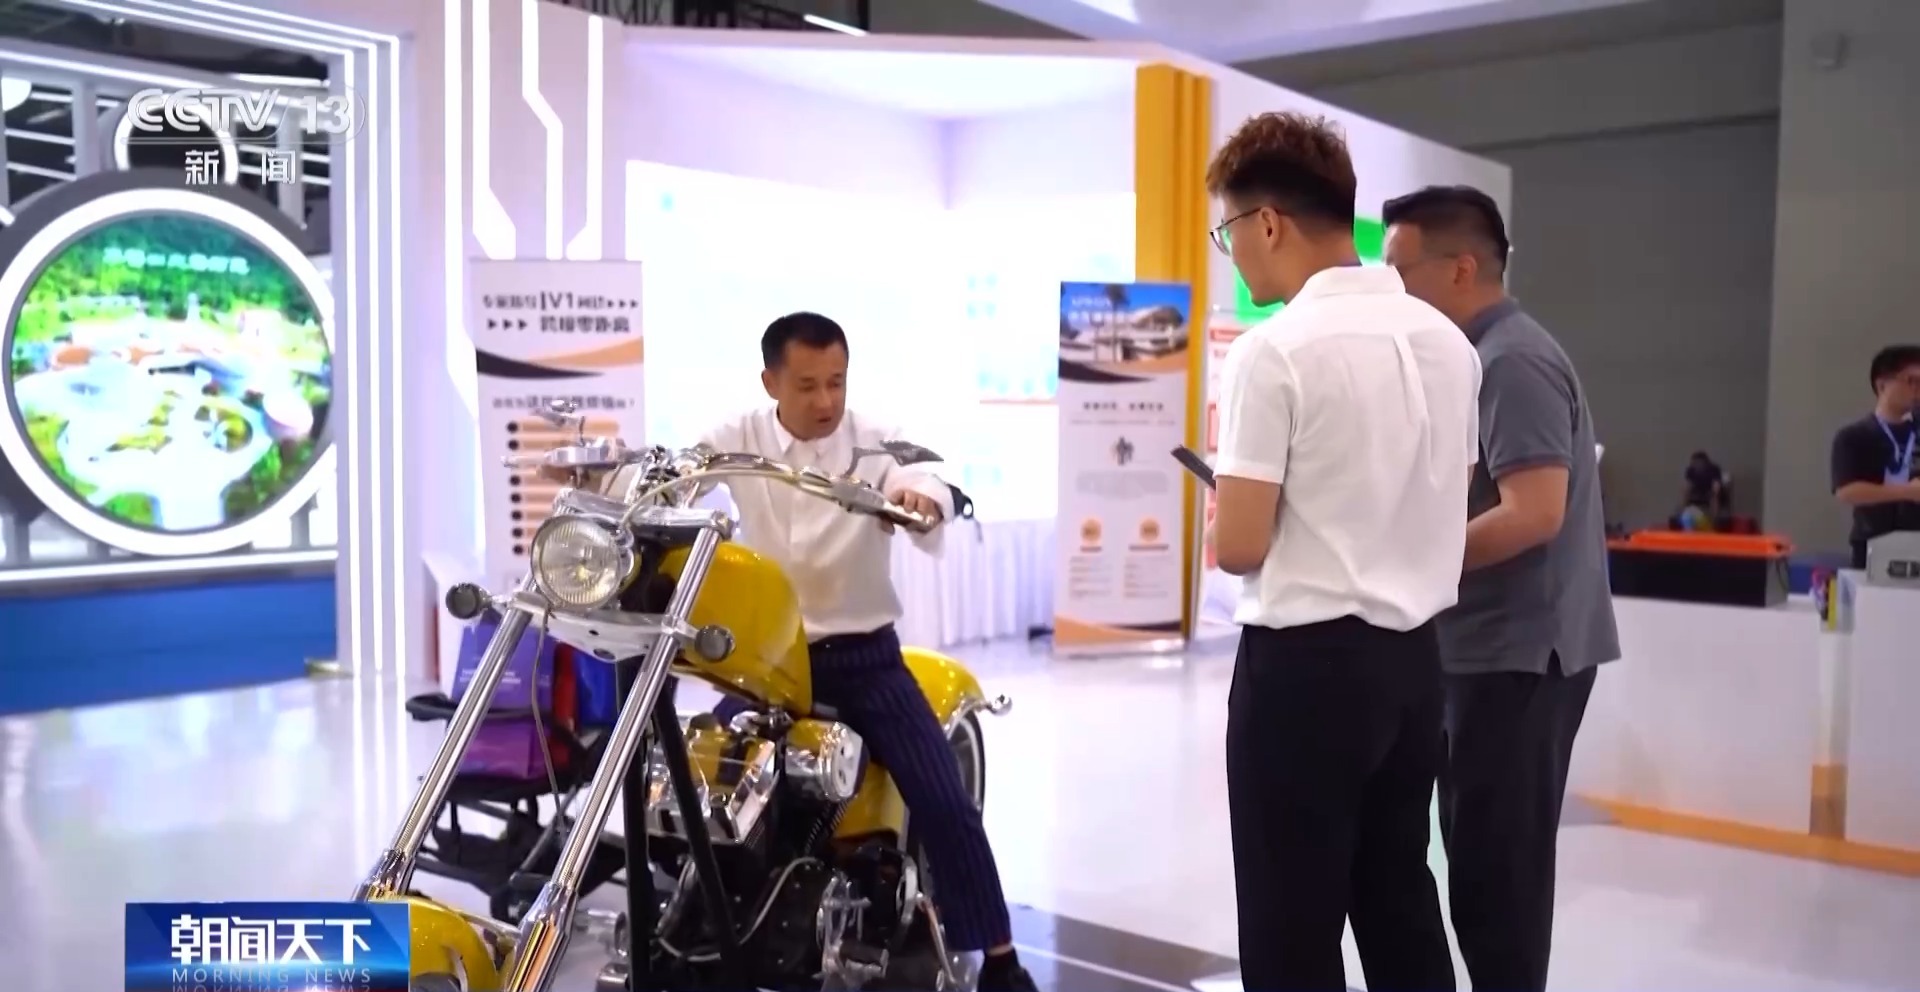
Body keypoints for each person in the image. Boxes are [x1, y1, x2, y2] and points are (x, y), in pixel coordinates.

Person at [1205, 112, 1479, 992]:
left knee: (1291, 928)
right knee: (1399, 899)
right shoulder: (1449, 345)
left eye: (1227, 232)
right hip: (1415, 669)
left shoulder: (1273, 352)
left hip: (1305, 674)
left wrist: (1222, 512)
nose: (1232, 255)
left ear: (1268, 223)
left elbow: (1239, 545)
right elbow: (1441, 501)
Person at [698, 312, 1035, 992]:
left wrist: (920, 500)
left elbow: (930, 477)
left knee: (943, 800)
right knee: (702, 785)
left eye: (837, 382)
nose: (825, 400)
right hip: (770, 664)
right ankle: (712, 935)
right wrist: (606, 482)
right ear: (770, 382)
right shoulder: (738, 436)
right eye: (807, 385)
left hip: (865, 659)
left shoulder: (876, 438)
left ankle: (1001, 960)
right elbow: (673, 471)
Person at [1382, 184, 1620, 992]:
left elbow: (1534, 512)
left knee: (1498, 881)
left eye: (1401, 271)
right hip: (1483, 651)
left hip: (1519, 657)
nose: (1392, 292)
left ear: (1461, 268)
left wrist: (1411, 559)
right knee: (1480, 865)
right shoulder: (1470, 358)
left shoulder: (1509, 360)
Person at [1830, 344, 1920, 568]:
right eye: (1911, 380)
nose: (1917, 389)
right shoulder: (1853, 436)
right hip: (1872, 545)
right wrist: (1908, 492)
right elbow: (1847, 491)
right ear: (1882, 385)